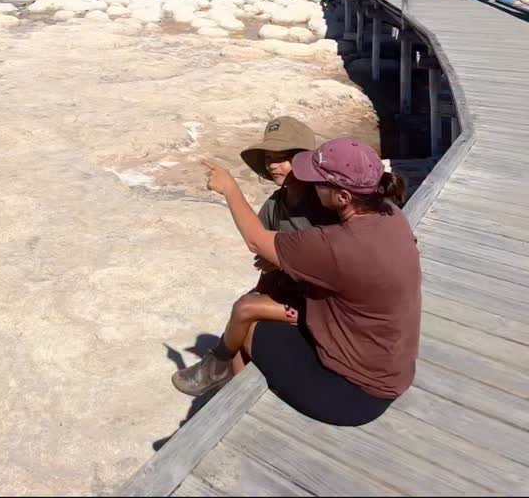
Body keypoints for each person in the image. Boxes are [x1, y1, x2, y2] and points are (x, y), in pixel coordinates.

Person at [175, 137, 421, 427]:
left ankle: (237, 421)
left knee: (247, 329)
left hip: (355, 393)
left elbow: (256, 240)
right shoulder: (391, 216)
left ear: (343, 197)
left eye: (319, 182)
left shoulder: (336, 245)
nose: (312, 185)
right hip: (390, 369)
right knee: (254, 312)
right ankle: (229, 395)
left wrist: (229, 187)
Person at [172, 115, 336, 398]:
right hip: (293, 291)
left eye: (282, 158)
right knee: (242, 322)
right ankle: (235, 389)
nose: (273, 165)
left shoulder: (321, 205)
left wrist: (282, 260)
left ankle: (216, 367)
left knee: (245, 310)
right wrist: (268, 276)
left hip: (322, 304)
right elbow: (263, 248)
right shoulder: (276, 204)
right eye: (269, 158)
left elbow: (329, 261)